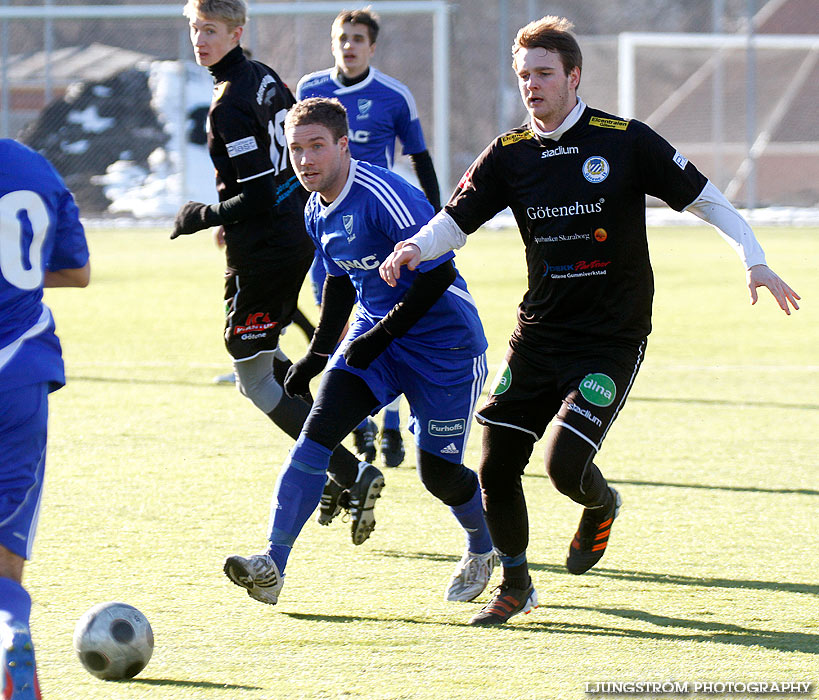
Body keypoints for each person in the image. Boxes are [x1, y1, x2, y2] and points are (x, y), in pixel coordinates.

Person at [380, 16, 801, 626]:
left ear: (574, 76)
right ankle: (517, 583)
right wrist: (416, 245)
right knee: (495, 461)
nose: (532, 86)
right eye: (524, 75)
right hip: (537, 336)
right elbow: (456, 219)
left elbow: (709, 199)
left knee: (563, 467)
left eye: (544, 74)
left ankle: (600, 505)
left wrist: (754, 260)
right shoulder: (509, 154)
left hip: (610, 338)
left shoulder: (624, 139)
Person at [223, 97, 496, 606]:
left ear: (343, 145)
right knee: (315, 436)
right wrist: (317, 356)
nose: (305, 160)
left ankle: (483, 546)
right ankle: (271, 564)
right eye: (297, 149)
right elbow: (342, 286)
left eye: (317, 147)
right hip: (376, 339)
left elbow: (436, 277)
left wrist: (377, 338)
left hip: (445, 347)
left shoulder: (383, 194)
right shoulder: (313, 209)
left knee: (437, 472)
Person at [172, 0, 382, 546]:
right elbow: (291, 149)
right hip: (292, 235)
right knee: (266, 360)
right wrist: (236, 216)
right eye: (195, 29)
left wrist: (203, 215)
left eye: (211, 31)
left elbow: (258, 191)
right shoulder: (264, 77)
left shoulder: (226, 106)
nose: (201, 40)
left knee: (254, 378)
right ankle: (336, 468)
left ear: (236, 31)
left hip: (263, 252)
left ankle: (347, 470)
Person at [296, 7, 443, 469]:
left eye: (359, 38)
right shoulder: (309, 90)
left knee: (388, 316)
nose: (350, 45)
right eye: (343, 37)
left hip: (378, 228)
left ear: (372, 46)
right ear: (333, 41)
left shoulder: (394, 95)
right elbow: (293, 159)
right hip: (333, 225)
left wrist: (439, 224)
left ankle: (394, 425)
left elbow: (419, 157)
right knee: (337, 319)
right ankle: (359, 420)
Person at [0, 139, 90, 699]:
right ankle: (13, 643)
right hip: (23, 375)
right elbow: (76, 271)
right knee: (5, 565)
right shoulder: (36, 167)